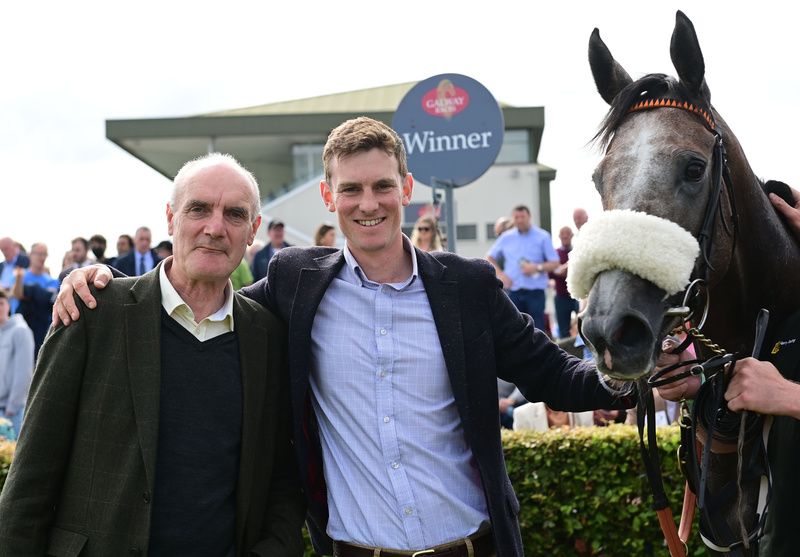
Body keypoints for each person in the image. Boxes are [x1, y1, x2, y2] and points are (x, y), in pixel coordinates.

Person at [53, 117, 634, 557]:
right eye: (351, 191)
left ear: (406, 187)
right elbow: (202, 304)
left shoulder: (468, 287)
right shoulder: (293, 283)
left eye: (382, 186)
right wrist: (104, 284)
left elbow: (555, 374)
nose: (368, 204)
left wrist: (644, 374)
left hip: (474, 545)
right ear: (329, 197)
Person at [0, 153, 305, 555]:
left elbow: (282, 474)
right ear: (170, 217)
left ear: (253, 231)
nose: (214, 228)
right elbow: (31, 479)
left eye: (234, 214)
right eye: (198, 209)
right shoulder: (92, 310)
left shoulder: (267, 335)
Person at [487, 205, 560, 333]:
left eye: (523, 217)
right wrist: (501, 275)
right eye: (516, 217)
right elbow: (489, 257)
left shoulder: (542, 236)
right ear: (513, 219)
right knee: (515, 330)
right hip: (513, 292)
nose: (520, 220)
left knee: (537, 331)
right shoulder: (506, 237)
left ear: (529, 217)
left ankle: (538, 354)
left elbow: (555, 262)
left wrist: (537, 267)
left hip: (535, 293)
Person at [12, 243, 59, 356]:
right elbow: (16, 295)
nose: (42, 257)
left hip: (42, 331)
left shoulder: (52, 281)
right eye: (39, 254)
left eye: (44, 254)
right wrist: (19, 278)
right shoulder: (19, 276)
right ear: (30, 255)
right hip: (22, 326)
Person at [0, 289, 34, 440]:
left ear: (8, 305)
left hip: (10, 412)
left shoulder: (20, 330)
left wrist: (11, 408)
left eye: (1, 303)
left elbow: (24, 371)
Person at [550, 226, 580, 339]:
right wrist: (566, 267)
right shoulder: (555, 253)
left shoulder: (577, 251)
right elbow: (552, 273)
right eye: (563, 233)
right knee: (563, 332)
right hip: (561, 297)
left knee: (582, 327)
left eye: (568, 233)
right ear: (559, 236)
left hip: (577, 296)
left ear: (572, 235)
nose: (565, 236)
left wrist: (563, 269)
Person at [0, 237, 30, 314]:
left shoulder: (26, 260)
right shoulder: (1, 266)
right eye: (2, 250)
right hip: (4, 305)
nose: (4, 252)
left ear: (14, 246)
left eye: (6, 249)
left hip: (21, 306)